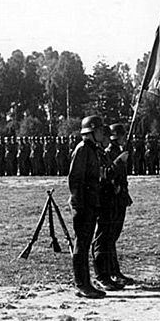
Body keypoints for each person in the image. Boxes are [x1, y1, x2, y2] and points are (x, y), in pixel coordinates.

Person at [68, 115, 107, 299]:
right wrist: (80, 204)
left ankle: (85, 282)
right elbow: (75, 179)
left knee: (84, 243)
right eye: (99, 130)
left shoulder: (92, 149)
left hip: (91, 203)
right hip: (83, 204)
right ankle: (82, 284)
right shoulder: (83, 149)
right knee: (81, 244)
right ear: (91, 131)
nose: (102, 133)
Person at [104, 123, 134, 286]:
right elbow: (110, 174)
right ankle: (111, 272)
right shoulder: (110, 153)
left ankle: (115, 271)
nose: (124, 138)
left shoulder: (118, 151)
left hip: (120, 197)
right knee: (110, 237)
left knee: (113, 236)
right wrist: (120, 160)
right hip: (113, 198)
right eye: (122, 136)